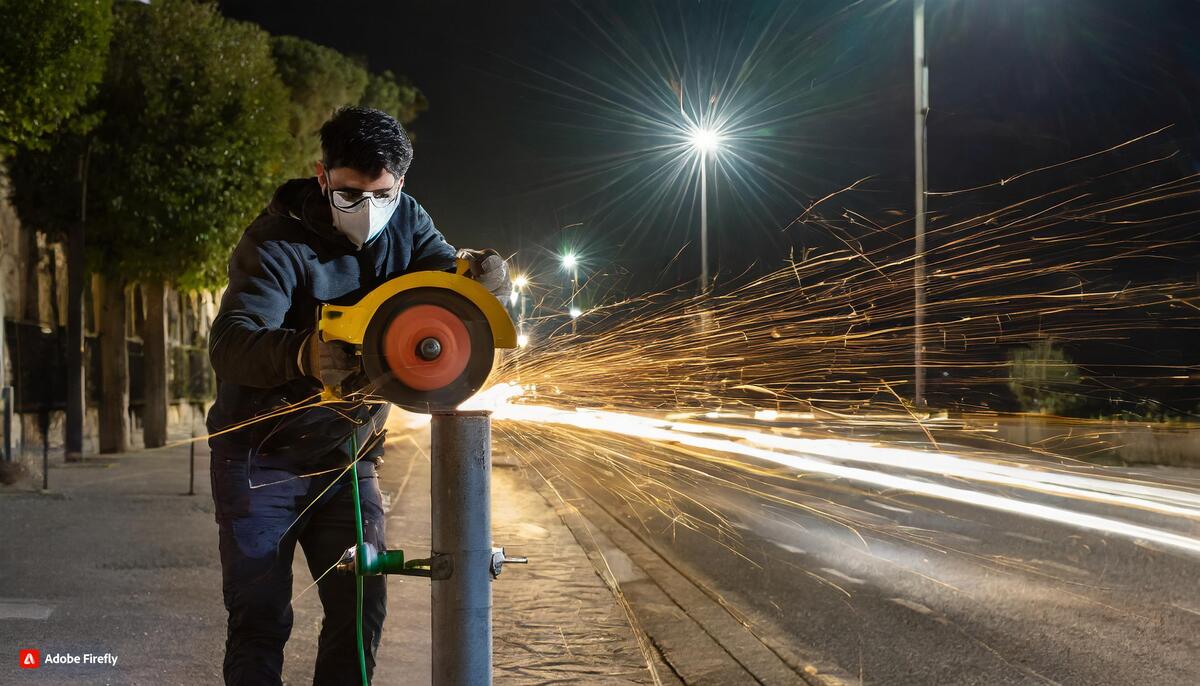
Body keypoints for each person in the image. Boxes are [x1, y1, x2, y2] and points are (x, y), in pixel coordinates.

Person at [206, 106, 507, 685]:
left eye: (381, 195)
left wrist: (476, 287)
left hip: (348, 457)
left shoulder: (408, 221)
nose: (366, 210)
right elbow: (230, 342)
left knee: (360, 615)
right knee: (260, 620)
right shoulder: (273, 241)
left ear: (400, 186)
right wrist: (302, 353)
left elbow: (442, 295)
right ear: (323, 177)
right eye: (348, 195)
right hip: (258, 458)